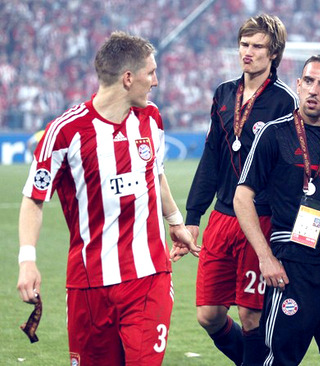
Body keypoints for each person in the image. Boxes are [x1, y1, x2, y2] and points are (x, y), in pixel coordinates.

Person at [16, 31, 200, 365]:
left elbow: (155, 174)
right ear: (128, 78)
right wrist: (26, 260)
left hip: (148, 277)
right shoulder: (65, 132)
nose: (156, 81)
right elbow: (33, 198)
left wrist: (175, 223)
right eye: (151, 73)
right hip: (90, 285)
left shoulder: (151, 119)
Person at [234, 55, 320, 365]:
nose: (313, 90)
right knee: (281, 357)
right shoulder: (273, 134)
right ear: (298, 85)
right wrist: (266, 257)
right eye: (308, 81)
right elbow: (242, 197)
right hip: (291, 265)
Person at [185, 14, 297, 366]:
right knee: (208, 314)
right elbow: (211, 156)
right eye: (244, 44)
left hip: (260, 218)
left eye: (257, 46)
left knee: (252, 316)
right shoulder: (224, 93)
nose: (248, 52)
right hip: (221, 216)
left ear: (273, 54)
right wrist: (192, 216)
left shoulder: (284, 102)